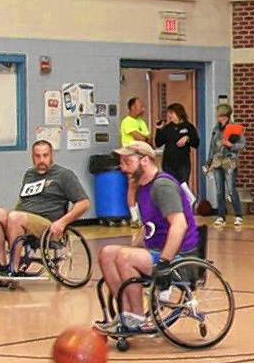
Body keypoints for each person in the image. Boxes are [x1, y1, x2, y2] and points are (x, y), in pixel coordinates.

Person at [98, 140, 203, 337]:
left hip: (180, 256)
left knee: (124, 258)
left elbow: (179, 225)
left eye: (127, 162)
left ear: (144, 160)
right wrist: (131, 247)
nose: (122, 168)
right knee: (107, 253)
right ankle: (125, 314)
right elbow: (149, 227)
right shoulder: (143, 187)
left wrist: (164, 262)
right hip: (155, 250)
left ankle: (137, 318)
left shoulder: (162, 185)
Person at [0, 140, 91, 276]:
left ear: (52, 156)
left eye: (45, 155)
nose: (41, 160)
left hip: (47, 224)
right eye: (37, 156)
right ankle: (2, 266)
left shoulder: (64, 175)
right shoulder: (29, 174)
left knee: (15, 217)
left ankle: (13, 269)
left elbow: (84, 203)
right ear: (32, 157)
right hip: (22, 218)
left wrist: (63, 222)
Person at [206, 99, 244, 228]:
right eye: (219, 117)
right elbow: (212, 146)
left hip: (229, 160)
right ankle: (221, 215)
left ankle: (238, 215)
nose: (220, 119)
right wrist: (209, 162)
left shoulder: (234, 128)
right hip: (217, 161)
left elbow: (242, 145)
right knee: (219, 190)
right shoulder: (216, 129)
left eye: (222, 117)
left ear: (228, 116)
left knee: (231, 189)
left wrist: (231, 145)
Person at [155, 102, 199, 195]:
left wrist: (188, 138)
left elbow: (196, 143)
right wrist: (158, 130)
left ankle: (186, 206)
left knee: (183, 186)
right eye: (168, 113)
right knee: (169, 187)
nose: (169, 115)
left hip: (183, 164)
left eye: (171, 113)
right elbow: (158, 143)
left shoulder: (188, 127)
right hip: (168, 163)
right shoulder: (167, 128)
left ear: (178, 113)